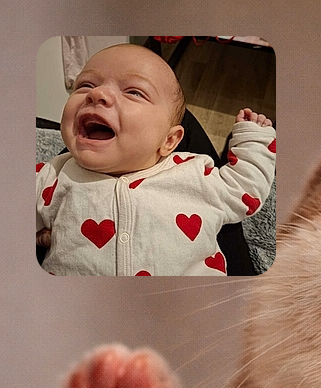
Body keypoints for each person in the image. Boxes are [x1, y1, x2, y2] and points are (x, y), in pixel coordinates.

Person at [35, 43, 275, 276]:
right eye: (85, 85)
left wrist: (254, 139)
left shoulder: (193, 172)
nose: (97, 94)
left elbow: (245, 189)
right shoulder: (52, 176)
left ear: (170, 141)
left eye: (133, 92)